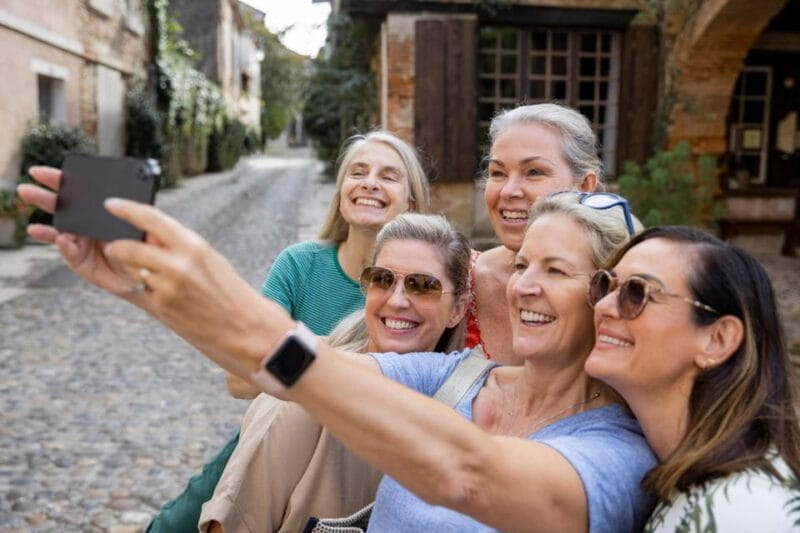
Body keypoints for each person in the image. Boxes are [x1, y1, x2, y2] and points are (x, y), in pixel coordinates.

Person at [19, 174, 657, 531]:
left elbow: (467, 473)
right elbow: (284, 374)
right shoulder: (463, 375)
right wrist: (147, 288)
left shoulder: (616, 454)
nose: (522, 285)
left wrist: (233, 305)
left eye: (555, 270)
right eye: (521, 264)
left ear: (606, 298)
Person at [200, 213, 472, 532]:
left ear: (458, 309)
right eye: (382, 279)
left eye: (423, 285)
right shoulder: (300, 401)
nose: (397, 300)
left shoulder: (466, 415)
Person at [584, 226, 800, 531]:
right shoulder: (687, 475)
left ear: (718, 339)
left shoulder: (744, 510)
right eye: (605, 285)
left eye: (637, 292)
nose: (603, 307)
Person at [469, 103, 600, 364]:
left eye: (534, 172)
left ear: (585, 186)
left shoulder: (616, 294)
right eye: (498, 173)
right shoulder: (456, 283)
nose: (509, 191)